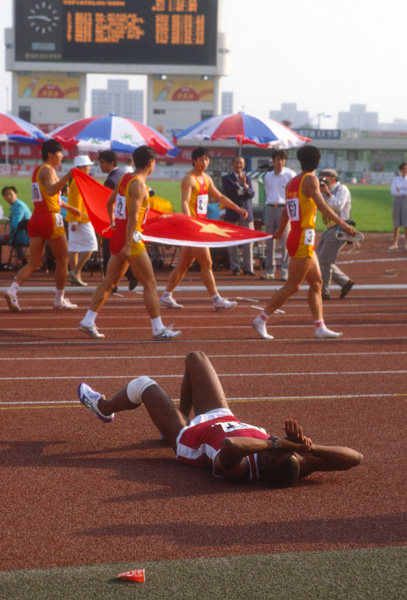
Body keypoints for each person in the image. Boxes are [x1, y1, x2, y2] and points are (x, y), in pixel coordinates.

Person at [78, 350, 363, 488]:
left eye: (280, 450)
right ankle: (180, 413)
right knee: (196, 357)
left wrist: (275, 444)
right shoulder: (294, 462)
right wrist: (308, 449)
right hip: (222, 415)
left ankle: (103, 407)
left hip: (189, 438)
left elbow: (230, 446)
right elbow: (354, 458)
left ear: (266, 464)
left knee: (142, 384)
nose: (284, 446)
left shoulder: (240, 469)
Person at [251, 145, 356, 341]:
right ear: (318, 161)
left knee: (316, 282)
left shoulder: (294, 181)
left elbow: (285, 211)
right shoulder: (311, 180)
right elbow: (322, 205)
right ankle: (261, 318)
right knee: (293, 286)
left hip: (298, 236)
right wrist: (342, 223)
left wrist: (281, 231)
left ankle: (320, 327)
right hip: (303, 239)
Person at [78, 145, 181, 341]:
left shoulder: (125, 178)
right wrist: (128, 243)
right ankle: (158, 329)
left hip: (118, 236)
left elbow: (110, 203)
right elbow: (133, 217)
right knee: (150, 284)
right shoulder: (139, 185)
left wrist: (112, 222)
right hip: (130, 239)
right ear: (151, 163)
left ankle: (88, 321)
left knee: (109, 282)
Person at [160, 147, 248, 311]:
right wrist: (189, 222)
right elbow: (185, 202)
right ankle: (216, 299)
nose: (205, 162)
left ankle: (166, 296)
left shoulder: (207, 178)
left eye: (207, 159)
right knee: (207, 262)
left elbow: (219, 197)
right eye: (201, 159)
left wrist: (237, 208)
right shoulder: (189, 179)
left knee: (185, 264)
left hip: (200, 226)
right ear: (194, 160)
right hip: (193, 228)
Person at [3, 139, 82, 313]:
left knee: (34, 262)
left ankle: (12, 290)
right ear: (50, 155)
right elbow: (53, 190)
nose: (62, 156)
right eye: (59, 153)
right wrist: (68, 176)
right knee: (63, 260)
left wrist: (71, 208)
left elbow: (52, 197)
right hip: (50, 218)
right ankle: (59, 299)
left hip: (36, 217)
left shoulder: (37, 171)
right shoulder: (49, 170)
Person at [98, 150, 138, 292]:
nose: (100, 166)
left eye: (102, 162)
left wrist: (110, 219)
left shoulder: (112, 180)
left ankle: (114, 282)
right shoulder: (123, 176)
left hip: (117, 221)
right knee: (121, 253)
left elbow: (108, 202)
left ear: (111, 163)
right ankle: (130, 275)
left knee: (111, 252)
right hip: (126, 222)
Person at [316, 169, 355, 300]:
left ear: (333, 179)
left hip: (339, 228)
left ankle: (324, 292)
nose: (322, 182)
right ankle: (345, 282)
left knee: (324, 261)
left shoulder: (341, 189)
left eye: (324, 180)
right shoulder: (323, 191)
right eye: (320, 179)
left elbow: (339, 206)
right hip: (328, 228)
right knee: (321, 260)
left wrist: (327, 193)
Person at [262, 150, 296, 281]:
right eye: (277, 159)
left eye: (282, 159)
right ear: (273, 161)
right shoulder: (268, 176)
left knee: (285, 241)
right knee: (269, 241)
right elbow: (268, 192)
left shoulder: (290, 175)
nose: (279, 162)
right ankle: (269, 271)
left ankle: (285, 272)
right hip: (270, 208)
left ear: (285, 161)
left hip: (284, 209)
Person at [66, 155, 98, 286]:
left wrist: (74, 220)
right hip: (81, 219)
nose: (89, 167)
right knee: (92, 245)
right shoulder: (78, 180)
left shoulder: (76, 179)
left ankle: (76, 276)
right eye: (87, 165)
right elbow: (76, 201)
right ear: (80, 167)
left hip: (76, 219)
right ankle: (76, 271)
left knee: (74, 247)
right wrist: (75, 221)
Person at [222, 155, 256, 276]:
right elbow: (229, 192)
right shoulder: (227, 178)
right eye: (236, 163)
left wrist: (245, 185)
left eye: (241, 163)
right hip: (233, 213)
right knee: (233, 243)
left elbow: (251, 193)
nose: (238, 165)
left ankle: (248, 267)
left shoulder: (248, 178)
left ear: (244, 165)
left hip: (246, 214)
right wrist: (238, 183)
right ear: (232, 164)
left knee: (249, 242)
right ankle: (236, 267)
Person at [0, 186, 31, 268]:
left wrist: (10, 235)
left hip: (24, 236)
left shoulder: (18, 206)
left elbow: (14, 224)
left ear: (16, 194)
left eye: (10, 194)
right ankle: (23, 260)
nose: (8, 197)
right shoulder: (16, 205)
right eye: (6, 195)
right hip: (23, 234)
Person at [389, 162, 407, 249]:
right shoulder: (395, 179)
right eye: (403, 168)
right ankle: (395, 243)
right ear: (400, 170)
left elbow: (398, 191)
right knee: (396, 223)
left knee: (406, 223)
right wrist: (403, 192)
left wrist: (400, 190)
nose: (405, 170)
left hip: (405, 201)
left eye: (406, 168)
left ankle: (406, 244)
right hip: (396, 201)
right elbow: (393, 192)